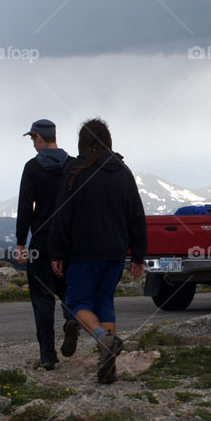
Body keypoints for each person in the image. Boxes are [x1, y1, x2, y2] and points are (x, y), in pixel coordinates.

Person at [50, 118, 146, 384]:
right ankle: (108, 365)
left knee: (77, 303)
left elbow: (62, 214)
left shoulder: (75, 170)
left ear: (83, 143)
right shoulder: (123, 172)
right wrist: (138, 255)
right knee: (104, 303)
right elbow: (136, 215)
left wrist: (56, 252)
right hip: (115, 253)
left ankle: (104, 341)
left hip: (83, 252)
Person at [15, 118, 79, 371]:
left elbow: (25, 207)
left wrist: (21, 243)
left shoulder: (32, 167)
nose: (32, 143)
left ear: (39, 137)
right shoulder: (73, 165)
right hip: (70, 241)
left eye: (33, 139)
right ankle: (71, 320)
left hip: (42, 241)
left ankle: (48, 355)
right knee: (68, 290)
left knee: (42, 298)